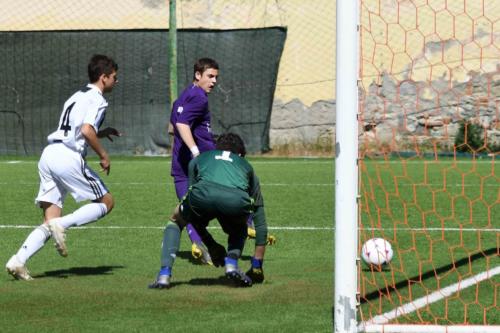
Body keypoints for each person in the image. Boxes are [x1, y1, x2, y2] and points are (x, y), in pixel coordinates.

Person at [5, 54, 121, 280]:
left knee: (49, 220)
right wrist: (104, 155)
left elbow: (79, 128)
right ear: (103, 77)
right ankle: (62, 224)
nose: (116, 81)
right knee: (107, 202)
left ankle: (18, 260)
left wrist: (102, 133)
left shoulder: (77, 95)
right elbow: (86, 131)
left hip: (49, 155)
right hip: (68, 156)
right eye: (114, 77)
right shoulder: (98, 99)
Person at [149, 133, 268, 288]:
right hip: (236, 201)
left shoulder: (200, 159)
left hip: (202, 195)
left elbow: (193, 212)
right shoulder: (248, 167)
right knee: (240, 227)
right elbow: (260, 224)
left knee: (176, 220)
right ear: (240, 155)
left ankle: (164, 275)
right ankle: (231, 263)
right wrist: (257, 265)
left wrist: (210, 244)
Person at [168, 58, 219, 264]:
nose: (214, 81)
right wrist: (195, 150)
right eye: (210, 76)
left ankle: (197, 244)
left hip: (179, 163)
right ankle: (249, 223)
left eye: (216, 77)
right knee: (222, 195)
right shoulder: (199, 97)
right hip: (202, 163)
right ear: (198, 75)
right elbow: (180, 124)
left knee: (186, 207)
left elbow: (172, 127)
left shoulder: (184, 95)